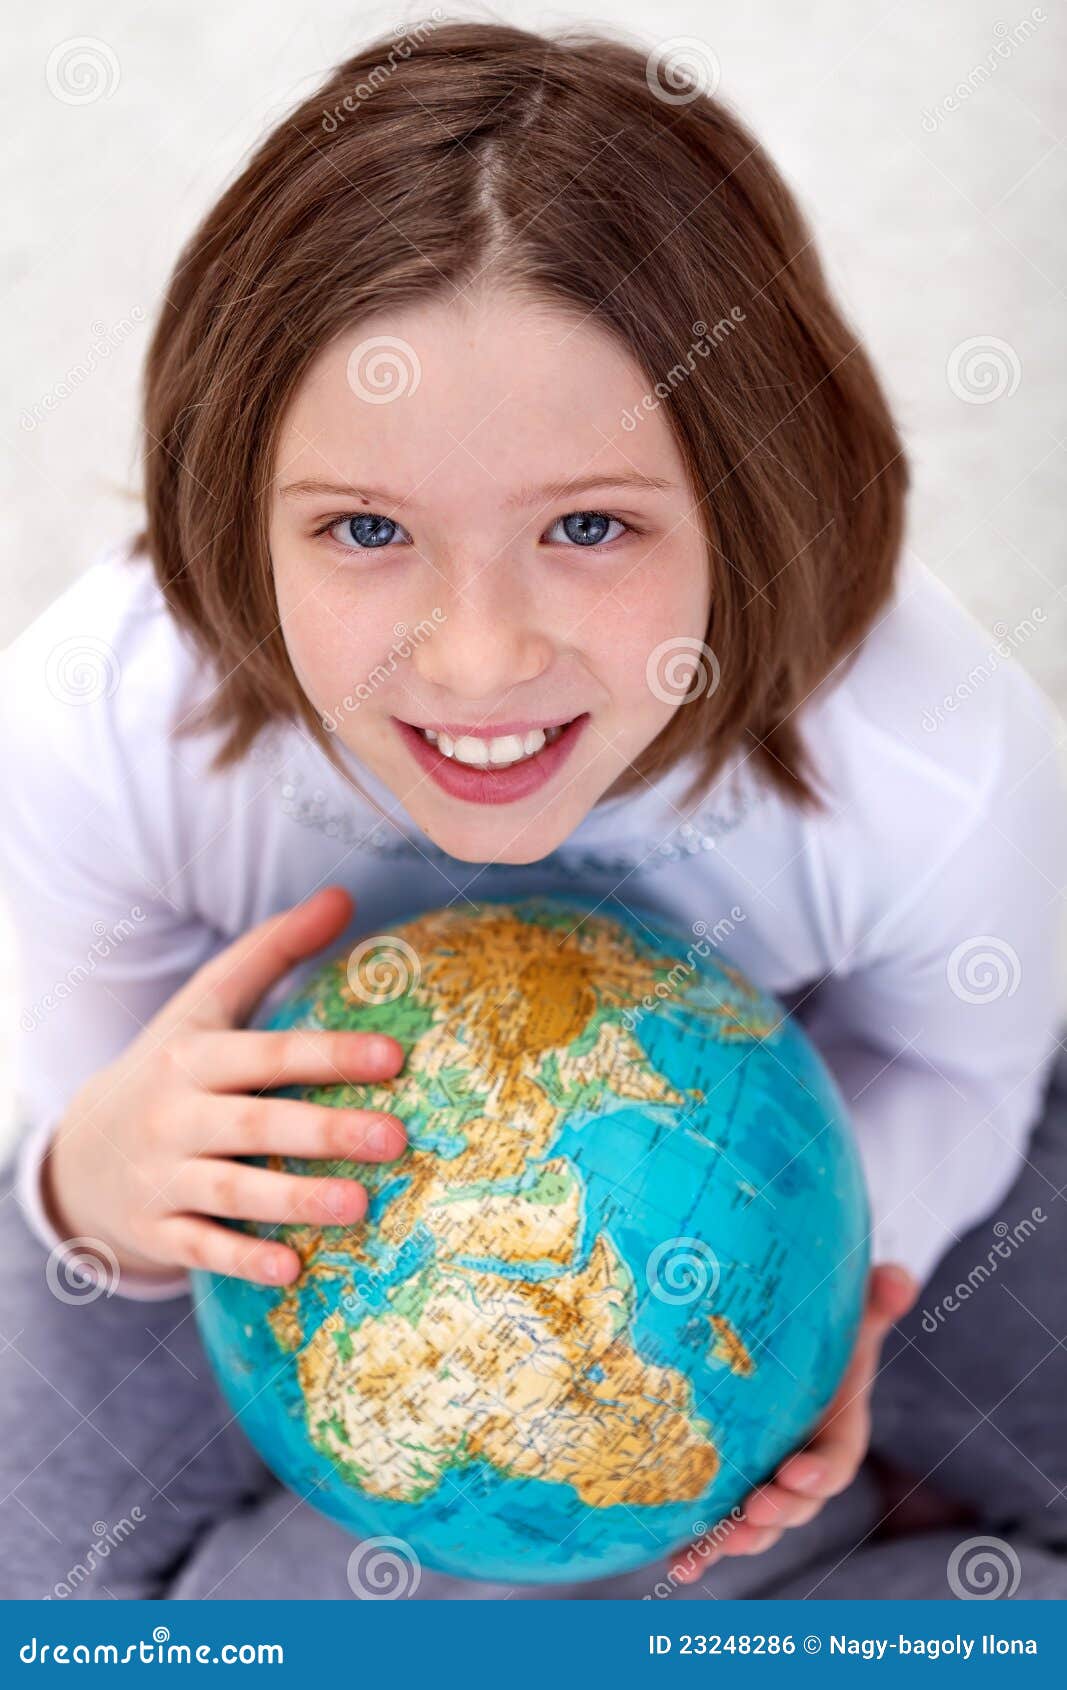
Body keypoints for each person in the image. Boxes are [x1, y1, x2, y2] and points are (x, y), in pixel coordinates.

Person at [1, 18, 1064, 1600]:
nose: (481, 654)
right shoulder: (103, 723)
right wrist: (101, 1180)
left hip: (825, 1083)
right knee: (53, 1593)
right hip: (304, 1203)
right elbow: (76, 1110)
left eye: (588, 522)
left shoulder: (941, 760)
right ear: (234, 506)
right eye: (366, 527)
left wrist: (828, 1274)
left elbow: (960, 1061)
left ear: (748, 499)